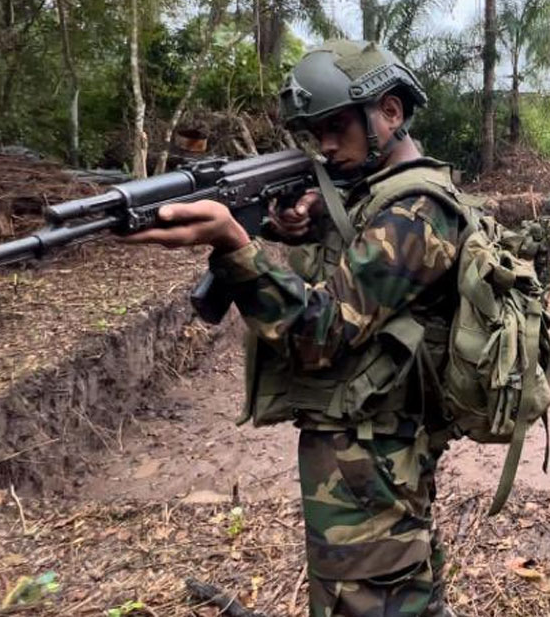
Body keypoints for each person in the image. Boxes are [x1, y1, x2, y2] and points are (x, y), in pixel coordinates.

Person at [125, 40, 463, 616]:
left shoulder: (418, 212)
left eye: (337, 126)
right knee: (397, 597)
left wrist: (236, 246)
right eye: (316, 132)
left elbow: (321, 331)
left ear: (390, 112)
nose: (326, 145)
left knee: (369, 600)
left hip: (372, 462)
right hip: (366, 454)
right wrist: (298, 228)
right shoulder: (374, 198)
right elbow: (356, 261)